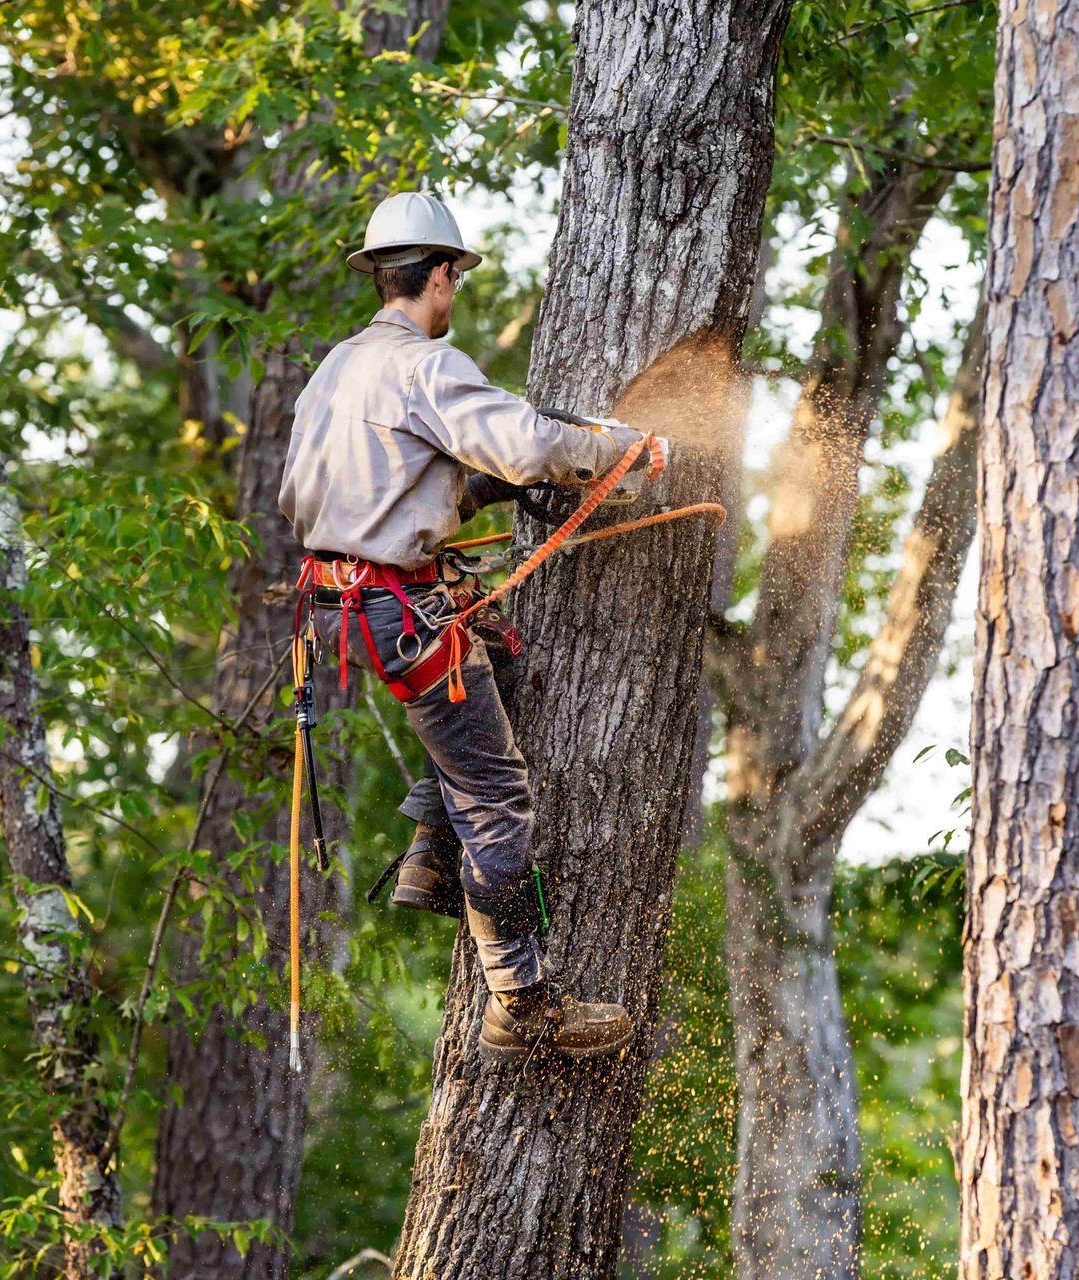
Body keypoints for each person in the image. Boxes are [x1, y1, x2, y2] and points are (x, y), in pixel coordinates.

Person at [278, 191, 664, 1062]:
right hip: (398, 611)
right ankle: (520, 1006)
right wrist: (618, 449)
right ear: (441, 274)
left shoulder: (335, 369)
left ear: (382, 273)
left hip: (340, 602)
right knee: (498, 794)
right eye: (455, 276)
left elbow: (377, 479)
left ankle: (427, 845)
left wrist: (476, 488)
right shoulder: (424, 364)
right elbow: (528, 445)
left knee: (497, 656)